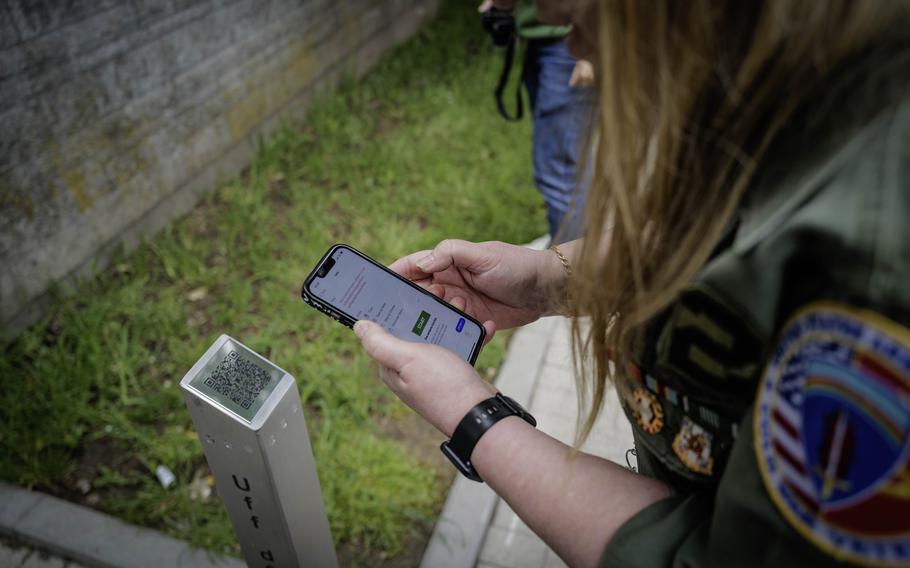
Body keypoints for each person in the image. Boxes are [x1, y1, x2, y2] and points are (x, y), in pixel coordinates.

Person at [353, 1, 910, 566]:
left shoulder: (877, 259)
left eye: (582, 21)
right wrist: (551, 279)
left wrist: (476, 418)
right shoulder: (795, 79)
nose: (576, 53)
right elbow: (708, 241)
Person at [480, 0, 594, 243]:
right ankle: (576, 247)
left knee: (561, 175)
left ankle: (572, 268)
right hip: (544, 37)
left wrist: (591, 53)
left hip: (572, 44)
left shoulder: (579, 40)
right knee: (570, 158)